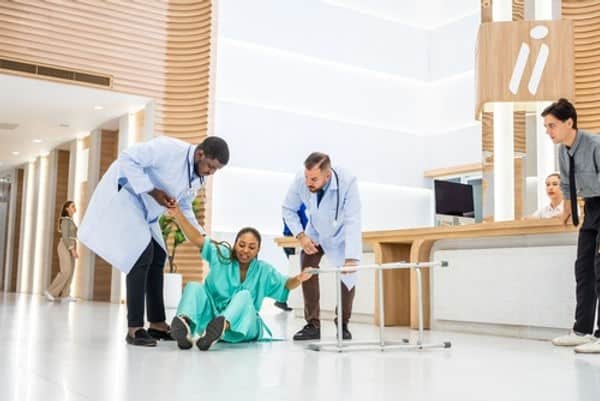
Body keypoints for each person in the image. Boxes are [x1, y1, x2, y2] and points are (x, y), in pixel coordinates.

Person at [79, 135, 229, 347]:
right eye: (210, 167)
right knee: (141, 255)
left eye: (216, 171)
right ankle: (134, 329)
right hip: (127, 197)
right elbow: (127, 158)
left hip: (146, 210)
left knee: (159, 255)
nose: (211, 173)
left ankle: (157, 324)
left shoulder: (197, 177)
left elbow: (185, 206)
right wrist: (153, 191)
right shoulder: (168, 149)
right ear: (200, 154)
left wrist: (202, 236)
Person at [167, 204, 312, 351]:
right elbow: (197, 239)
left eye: (251, 247)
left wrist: (299, 278)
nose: (245, 250)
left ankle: (221, 328)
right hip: (212, 316)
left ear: (258, 250)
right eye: (241, 245)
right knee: (193, 286)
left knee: (244, 295)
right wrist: (178, 214)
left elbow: (286, 284)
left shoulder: (264, 270)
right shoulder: (221, 254)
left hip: (245, 325)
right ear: (235, 244)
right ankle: (184, 325)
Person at [282, 152, 362, 341]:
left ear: (327, 176)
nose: (309, 182)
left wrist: (351, 258)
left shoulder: (347, 181)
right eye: (307, 177)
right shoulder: (301, 181)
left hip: (341, 233)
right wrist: (301, 237)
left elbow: (353, 219)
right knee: (307, 264)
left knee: (348, 276)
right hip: (316, 230)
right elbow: (288, 208)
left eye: (314, 179)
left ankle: (342, 324)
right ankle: (313, 325)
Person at [542, 99, 600, 353]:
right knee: (584, 267)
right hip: (591, 208)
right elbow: (567, 182)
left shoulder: (595, 145)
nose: (548, 131)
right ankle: (582, 330)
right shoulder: (562, 151)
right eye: (545, 127)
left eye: (552, 125)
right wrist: (567, 207)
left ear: (569, 122)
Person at [275, 204, 308, 312]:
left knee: (295, 272)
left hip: (291, 240)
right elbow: (304, 223)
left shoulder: (297, 204)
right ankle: (281, 299)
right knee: (296, 273)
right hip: (293, 241)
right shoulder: (299, 204)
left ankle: (281, 299)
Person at [45, 200, 78, 302]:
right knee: (66, 271)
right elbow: (65, 236)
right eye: (72, 206)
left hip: (72, 245)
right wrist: (72, 249)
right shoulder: (65, 220)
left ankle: (65, 295)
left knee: (71, 271)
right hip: (65, 246)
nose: (74, 208)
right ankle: (50, 291)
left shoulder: (71, 221)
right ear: (67, 209)